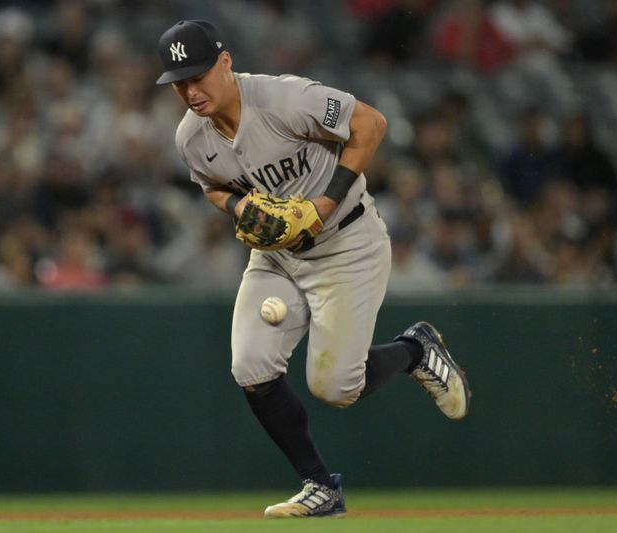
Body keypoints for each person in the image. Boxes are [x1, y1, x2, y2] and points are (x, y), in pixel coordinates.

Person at [156, 20, 472, 519]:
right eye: (179, 82)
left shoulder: (284, 99)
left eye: (198, 75)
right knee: (250, 366)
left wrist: (322, 205)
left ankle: (415, 350)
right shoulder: (190, 137)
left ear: (225, 62)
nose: (191, 90)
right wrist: (239, 210)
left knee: (336, 389)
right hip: (278, 256)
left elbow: (371, 124)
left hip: (346, 242)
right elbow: (213, 185)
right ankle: (320, 486)